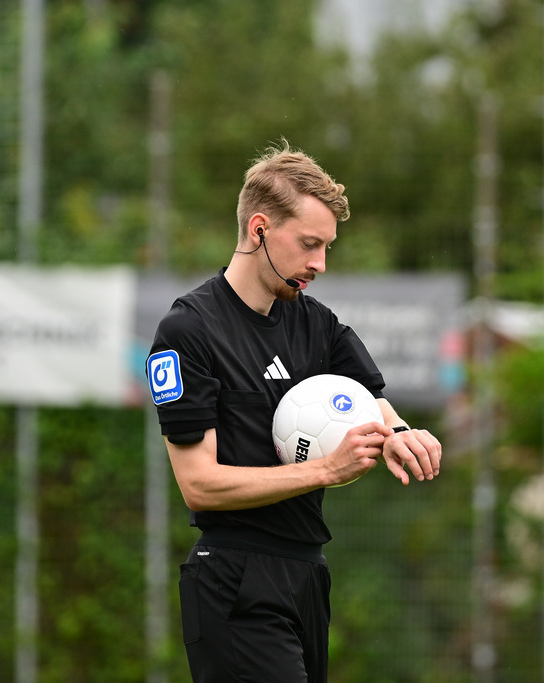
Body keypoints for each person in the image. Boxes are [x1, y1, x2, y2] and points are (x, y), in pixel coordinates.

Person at [145, 139, 442, 682]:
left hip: (307, 574)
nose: (319, 264)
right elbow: (199, 485)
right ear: (260, 229)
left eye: (326, 248)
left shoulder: (316, 324)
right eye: (309, 244)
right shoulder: (187, 331)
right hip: (235, 578)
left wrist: (398, 430)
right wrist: (326, 470)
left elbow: (372, 396)